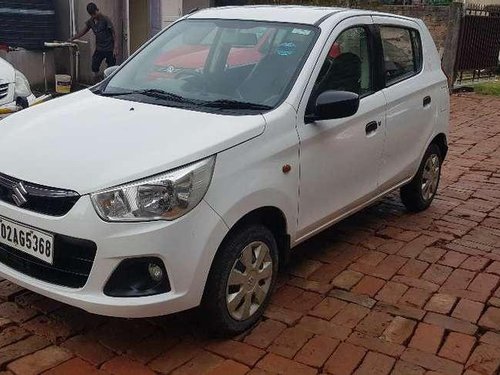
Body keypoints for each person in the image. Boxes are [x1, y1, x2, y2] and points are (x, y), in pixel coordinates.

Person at [70, 3, 118, 81]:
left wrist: (116, 47)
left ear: (97, 10)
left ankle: (109, 80)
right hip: (99, 48)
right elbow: (83, 31)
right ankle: (97, 79)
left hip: (109, 48)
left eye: (95, 14)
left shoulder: (105, 19)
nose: (94, 16)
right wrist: (73, 38)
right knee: (94, 65)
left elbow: (113, 33)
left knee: (111, 66)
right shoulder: (91, 22)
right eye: (92, 15)